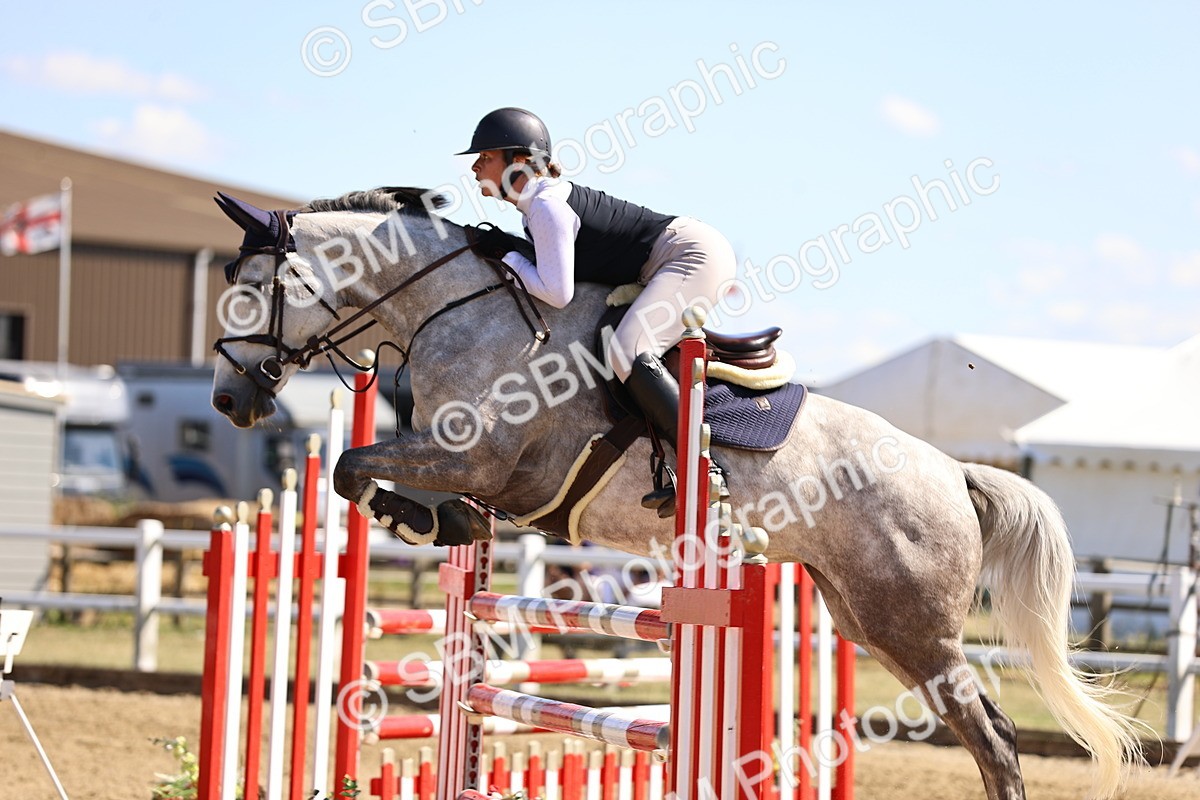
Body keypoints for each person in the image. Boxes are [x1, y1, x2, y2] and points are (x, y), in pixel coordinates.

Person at [458, 107, 735, 511]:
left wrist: (510, 258)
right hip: (672, 256)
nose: (476, 166)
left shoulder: (547, 206)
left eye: (485, 156)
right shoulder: (539, 203)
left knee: (627, 350)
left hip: (691, 256)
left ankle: (703, 470)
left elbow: (557, 293)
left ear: (518, 161)